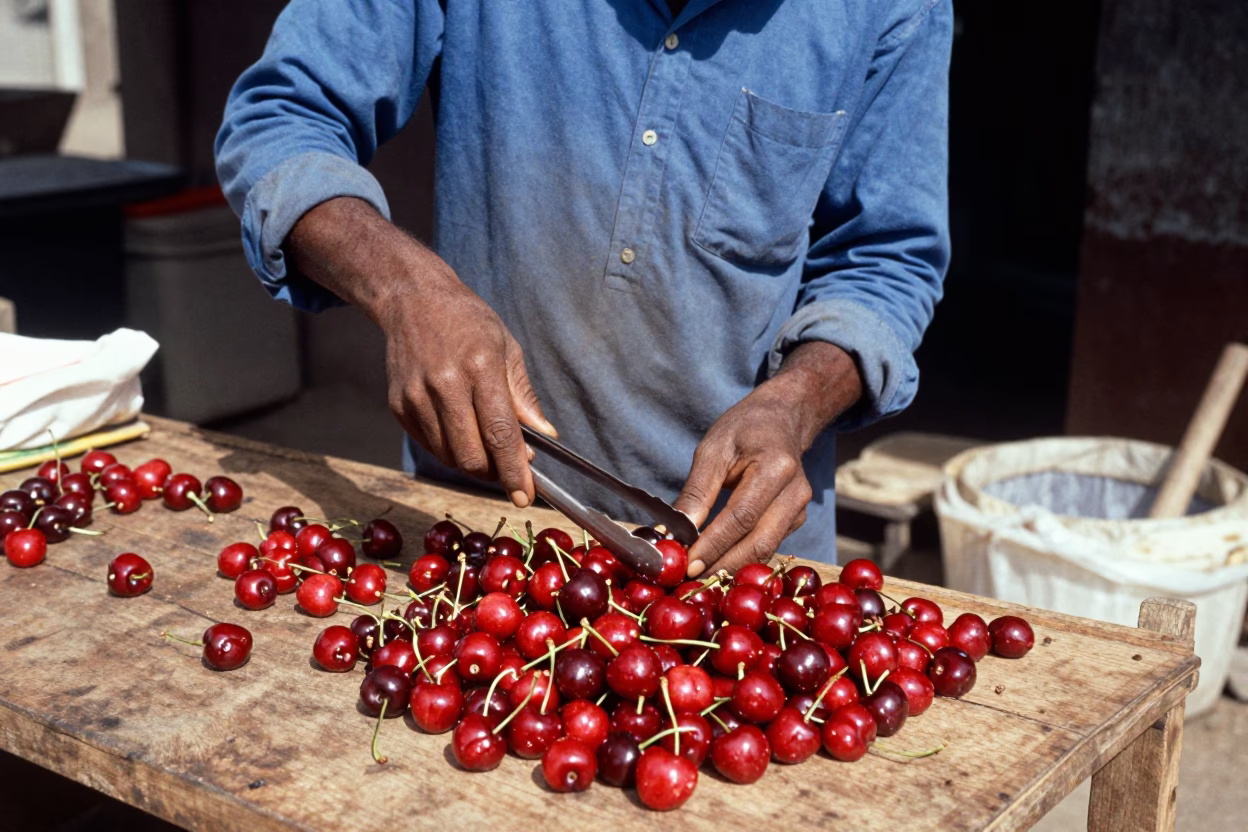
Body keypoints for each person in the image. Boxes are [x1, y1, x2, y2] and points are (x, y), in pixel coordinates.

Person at [215, 0, 951, 577]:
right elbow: (280, 120)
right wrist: (408, 289)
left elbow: (888, 258)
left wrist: (799, 401)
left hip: (739, 554)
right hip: (486, 531)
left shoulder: (892, 7)